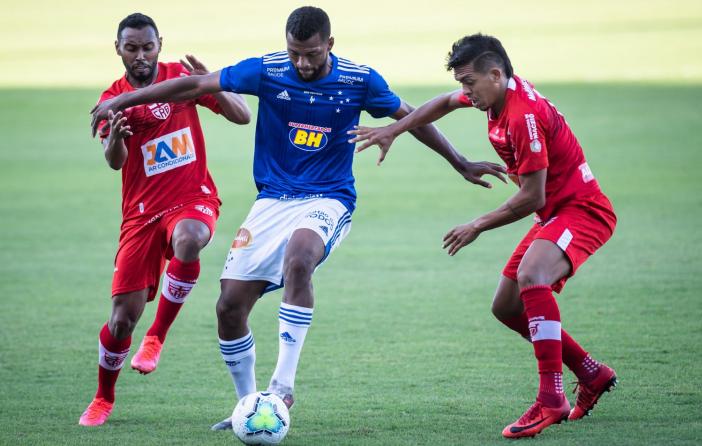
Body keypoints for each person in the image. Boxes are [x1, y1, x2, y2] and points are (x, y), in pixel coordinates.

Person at [90, 7, 505, 431]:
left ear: (329, 45)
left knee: (300, 256)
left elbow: (411, 117)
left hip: (328, 197)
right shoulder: (268, 70)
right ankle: (249, 408)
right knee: (229, 307)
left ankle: (282, 386)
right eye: (295, 54)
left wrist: (459, 162)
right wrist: (125, 98)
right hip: (271, 202)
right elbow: (196, 84)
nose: (302, 64)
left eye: (310, 54)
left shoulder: (358, 80)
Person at [349, 33, 618, 439]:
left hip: (581, 211)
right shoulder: (495, 94)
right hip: (556, 214)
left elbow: (532, 196)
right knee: (507, 307)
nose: (464, 92)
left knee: (532, 277)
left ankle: (551, 398)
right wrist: (396, 130)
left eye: (469, 83)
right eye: (461, 82)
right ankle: (590, 373)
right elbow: (441, 103)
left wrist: (476, 225)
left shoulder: (522, 116)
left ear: (495, 74)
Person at [79, 13, 251, 426]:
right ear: (118, 48)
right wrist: (116, 140)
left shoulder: (182, 79)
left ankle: (156, 337)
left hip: (192, 198)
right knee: (121, 320)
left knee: (190, 239)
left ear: (160, 44)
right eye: (131, 48)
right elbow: (115, 162)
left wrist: (215, 81)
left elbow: (242, 116)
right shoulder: (112, 98)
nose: (141, 56)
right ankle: (104, 397)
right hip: (140, 216)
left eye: (148, 47)